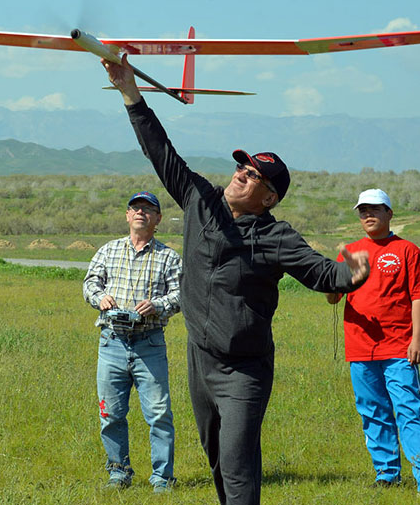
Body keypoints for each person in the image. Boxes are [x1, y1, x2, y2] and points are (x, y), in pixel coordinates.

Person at [102, 56, 370, 505]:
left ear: (268, 197)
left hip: (244, 369)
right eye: (240, 169)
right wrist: (131, 92)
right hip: (199, 359)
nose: (239, 175)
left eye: (252, 176)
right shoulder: (199, 200)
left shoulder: (275, 235)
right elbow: (160, 151)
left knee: (239, 463)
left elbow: (320, 272)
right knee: (216, 461)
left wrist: (351, 273)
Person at [325, 188, 420, 496]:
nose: (368, 214)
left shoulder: (407, 251)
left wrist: (417, 340)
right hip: (360, 347)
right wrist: (338, 278)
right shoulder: (350, 251)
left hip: (399, 347)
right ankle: (386, 473)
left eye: (375, 209)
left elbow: (419, 297)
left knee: (409, 410)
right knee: (372, 410)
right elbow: (332, 298)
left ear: (389, 213)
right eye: (363, 210)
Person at [82, 189, 183, 492]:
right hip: (112, 342)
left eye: (147, 209)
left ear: (158, 219)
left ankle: (162, 479)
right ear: (127, 215)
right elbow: (90, 283)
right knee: (110, 413)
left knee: (158, 414)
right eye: (135, 208)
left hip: (149, 343)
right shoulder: (108, 250)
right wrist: (100, 298)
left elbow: (181, 295)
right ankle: (118, 471)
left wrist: (158, 305)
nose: (141, 213)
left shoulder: (168, 257)